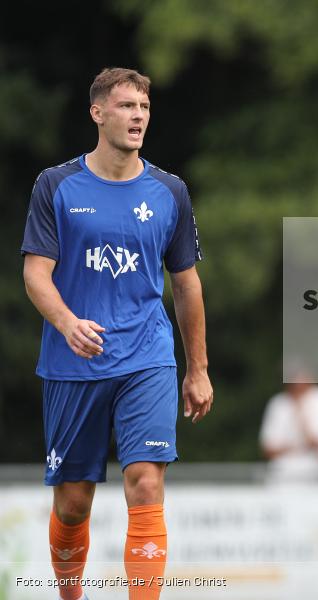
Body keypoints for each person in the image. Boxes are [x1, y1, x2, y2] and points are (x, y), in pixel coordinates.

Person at [20, 67, 212, 600]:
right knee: (74, 501)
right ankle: (69, 594)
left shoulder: (169, 190)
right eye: (127, 106)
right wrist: (67, 323)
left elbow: (187, 284)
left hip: (147, 356)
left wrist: (197, 369)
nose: (138, 117)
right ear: (97, 112)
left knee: (146, 483)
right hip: (72, 362)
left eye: (144, 109)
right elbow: (36, 273)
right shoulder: (56, 186)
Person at [259, 372, 318, 482]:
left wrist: (299, 410)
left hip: (314, 474)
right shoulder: (278, 402)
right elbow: (268, 449)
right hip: (280, 475)